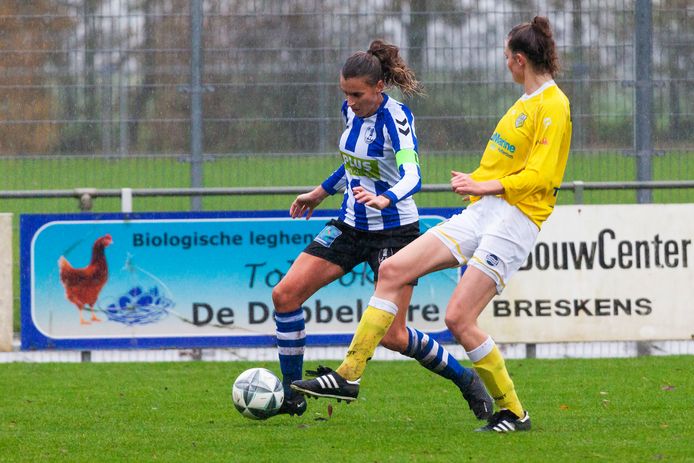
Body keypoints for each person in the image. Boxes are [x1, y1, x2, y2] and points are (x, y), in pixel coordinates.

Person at [292, 17, 572, 433]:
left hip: (516, 220)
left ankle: (513, 412)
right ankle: (349, 375)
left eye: (504, 57)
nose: (504, 64)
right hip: (483, 210)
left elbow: (544, 176)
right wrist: (481, 188)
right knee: (392, 270)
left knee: (459, 319)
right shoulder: (524, 102)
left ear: (518, 59)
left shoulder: (553, 105)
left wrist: (484, 182)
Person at [273, 39, 492, 420]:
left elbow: (413, 175)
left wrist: (387, 198)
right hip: (350, 224)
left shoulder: (398, 119)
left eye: (357, 94)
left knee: (394, 336)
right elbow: (353, 166)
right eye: (345, 94)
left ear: (379, 87)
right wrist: (319, 193)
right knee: (284, 295)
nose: (351, 102)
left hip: (394, 232)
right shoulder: (350, 111)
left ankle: (467, 381)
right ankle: (293, 400)